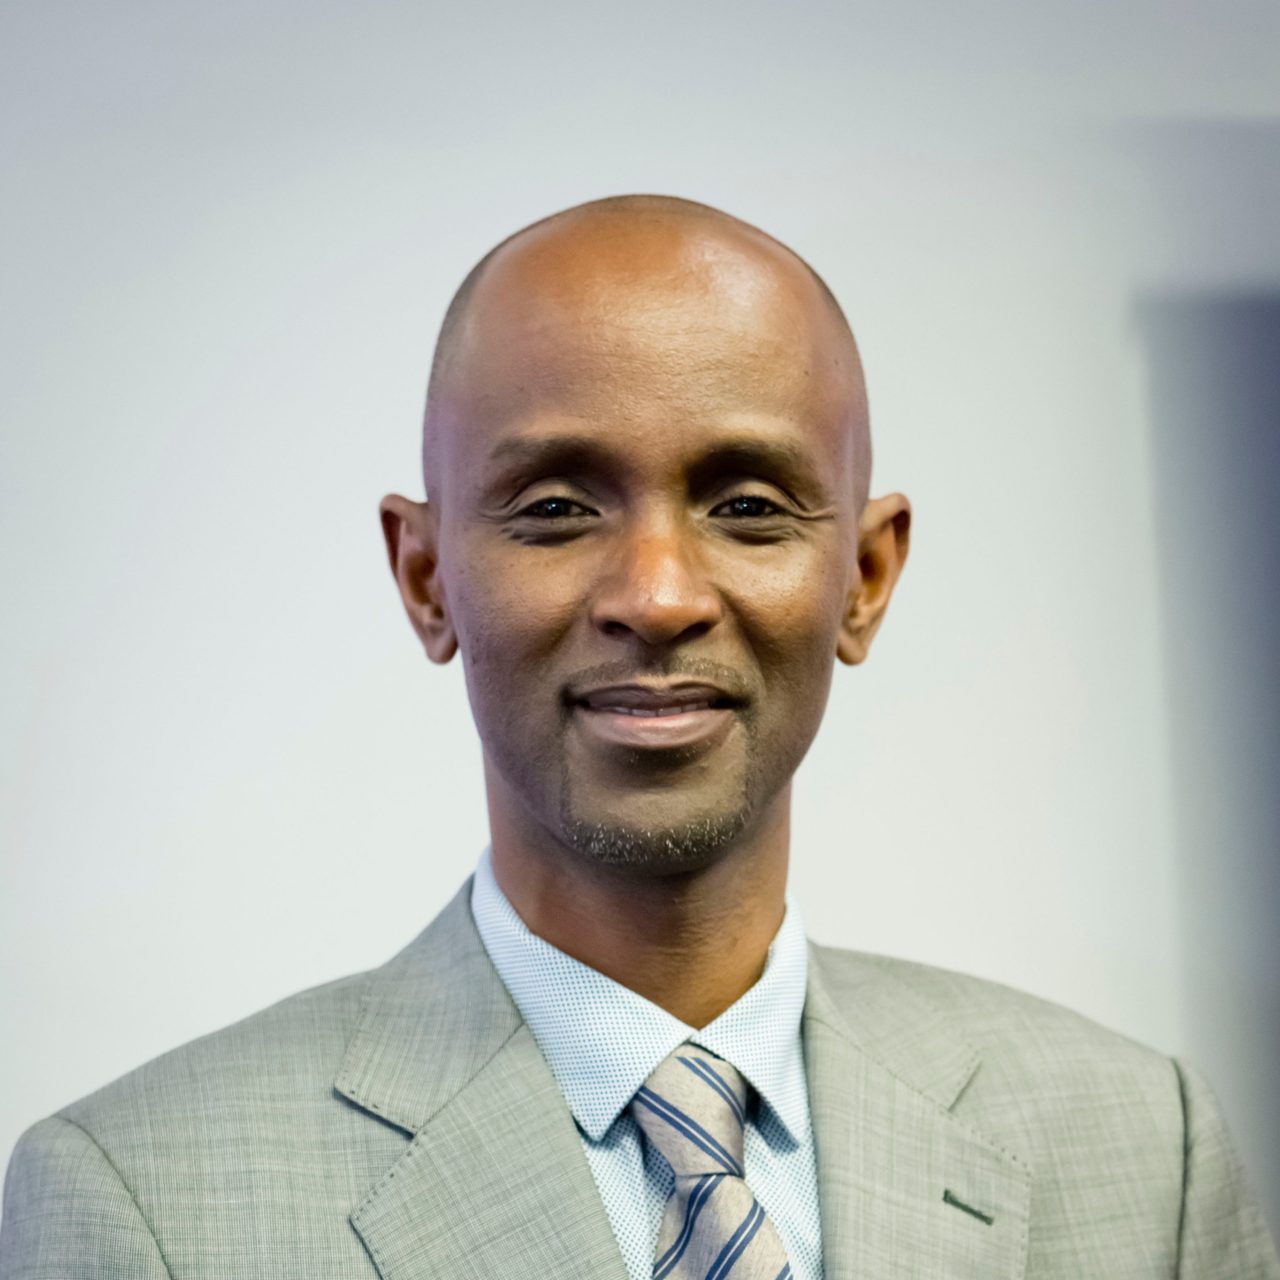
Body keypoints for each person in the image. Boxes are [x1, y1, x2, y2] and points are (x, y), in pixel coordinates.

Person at [1, 193, 1276, 1280]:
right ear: (427, 577)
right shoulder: (141, 1204)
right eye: (556, 507)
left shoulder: (1141, 1156)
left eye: (747, 504)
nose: (657, 595)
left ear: (865, 575)